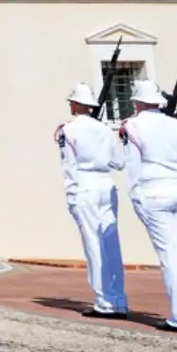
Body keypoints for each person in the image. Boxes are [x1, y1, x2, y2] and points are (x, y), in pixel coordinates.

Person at [120, 78, 177, 333]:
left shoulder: (132, 126)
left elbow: (132, 166)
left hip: (153, 191)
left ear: (137, 102)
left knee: (170, 256)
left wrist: (135, 197)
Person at [58, 82, 127, 319]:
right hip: (106, 183)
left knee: (93, 244)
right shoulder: (105, 129)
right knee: (111, 243)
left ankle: (103, 301)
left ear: (77, 104)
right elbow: (119, 161)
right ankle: (118, 298)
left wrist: (71, 195)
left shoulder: (69, 129)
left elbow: (69, 165)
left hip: (85, 184)